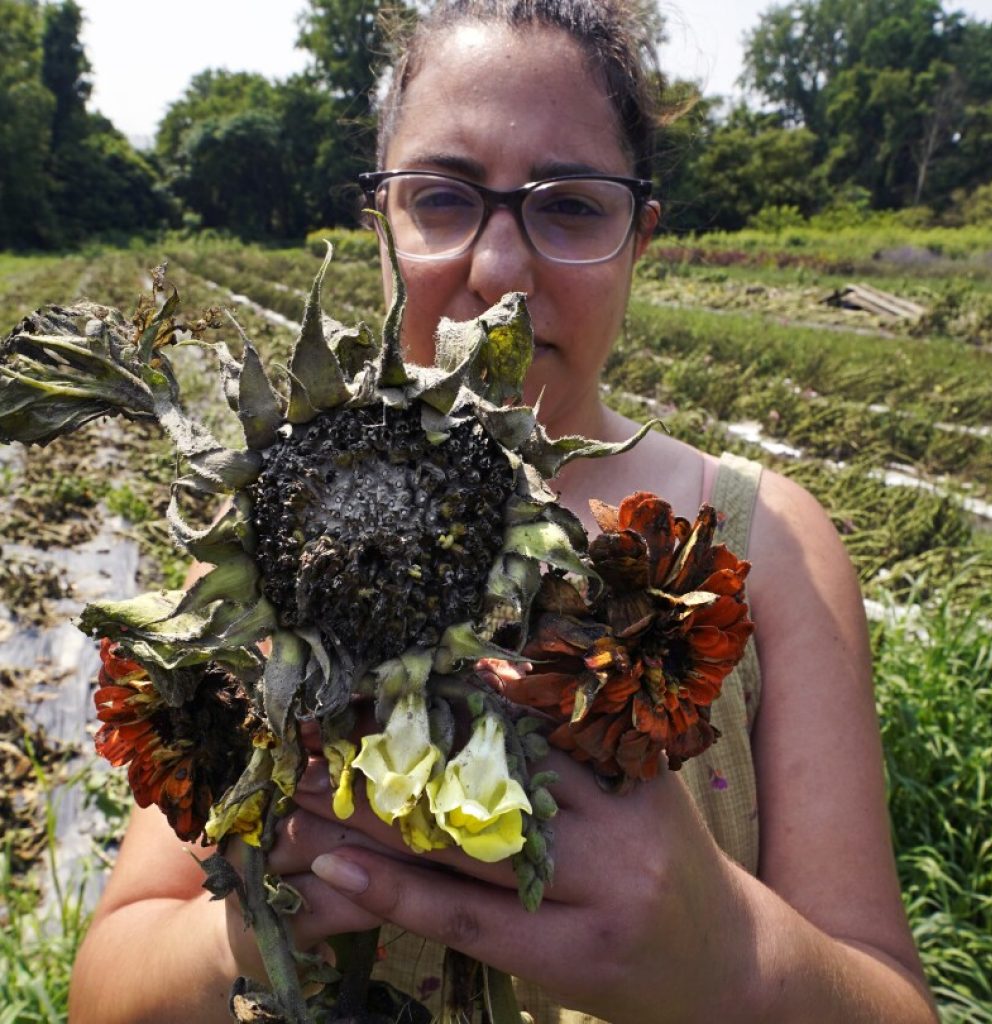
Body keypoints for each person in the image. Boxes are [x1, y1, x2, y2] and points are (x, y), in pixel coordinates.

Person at [69, 2, 940, 1022]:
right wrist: (274, 914)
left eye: (569, 206)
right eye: (441, 198)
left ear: (639, 237)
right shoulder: (270, 541)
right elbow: (108, 987)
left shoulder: (769, 552)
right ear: (377, 223)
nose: (498, 277)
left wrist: (734, 961)